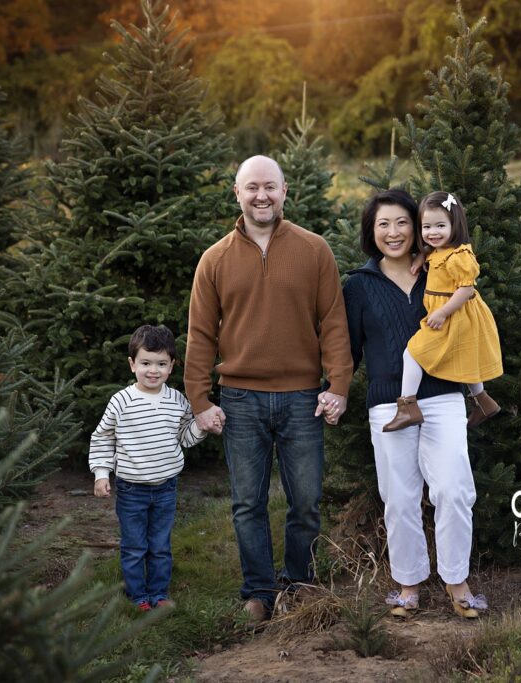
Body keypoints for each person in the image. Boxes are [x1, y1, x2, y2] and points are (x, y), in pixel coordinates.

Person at [184, 155, 353, 624]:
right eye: (252, 187)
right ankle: (259, 590)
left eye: (271, 187)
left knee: (306, 501)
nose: (262, 196)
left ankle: (298, 584)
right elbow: (200, 335)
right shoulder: (214, 259)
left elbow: (333, 323)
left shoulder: (314, 250)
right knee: (246, 503)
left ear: (284, 191)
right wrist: (200, 400)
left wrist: (337, 385)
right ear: (236, 193)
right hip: (239, 399)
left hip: (303, 398)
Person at [343, 189, 487, 619]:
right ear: (372, 230)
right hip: (388, 404)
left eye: (402, 222)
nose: (394, 232)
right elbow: (347, 349)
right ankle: (408, 584)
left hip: (443, 395)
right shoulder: (358, 286)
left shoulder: (438, 271)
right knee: (400, 496)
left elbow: (469, 317)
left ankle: (457, 581)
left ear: (419, 226)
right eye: (383, 223)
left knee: (453, 488)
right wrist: (333, 389)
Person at [89, 324, 207, 611]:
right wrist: (102, 474)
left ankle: (159, 593)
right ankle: (138, 597)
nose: (153, 370)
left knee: (160, 545)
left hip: (166, 487)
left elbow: (184, 437)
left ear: (171, 366)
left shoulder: (177, 400)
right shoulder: (122, 401)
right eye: (145, 363)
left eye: (161, 364)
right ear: (132, 364)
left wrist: (202, 427)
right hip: (132, 488)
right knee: (134, 546)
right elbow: (102, 437)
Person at [383, 191, 503, 432]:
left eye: (440, 225)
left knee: (413, 353)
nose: (432, 232)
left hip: (453, 316)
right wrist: (421, 256)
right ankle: (483, 401)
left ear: (454, 225)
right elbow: (433, 252)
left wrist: (442, 313)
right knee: (466, 357)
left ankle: (407, 406)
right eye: (426, 226)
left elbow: (466, 289)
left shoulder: (460, 256)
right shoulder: (439, 251)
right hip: (452, 316)